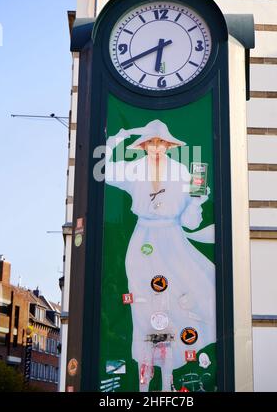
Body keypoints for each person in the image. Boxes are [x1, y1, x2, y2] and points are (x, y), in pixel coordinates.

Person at [105, 119, 216, 392]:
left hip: (172, 239)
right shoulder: (134, 170)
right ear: (143, 146)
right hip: (144, 238)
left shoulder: (180, 172)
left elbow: (191, 219)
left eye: (160, 143)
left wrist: (197, 201)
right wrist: (114, 140)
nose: (155, 148)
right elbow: (106, 172)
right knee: (145, 308)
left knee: (179, 304)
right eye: (150, 143)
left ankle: (170, 379)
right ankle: (145, 381)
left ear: (167, 145)